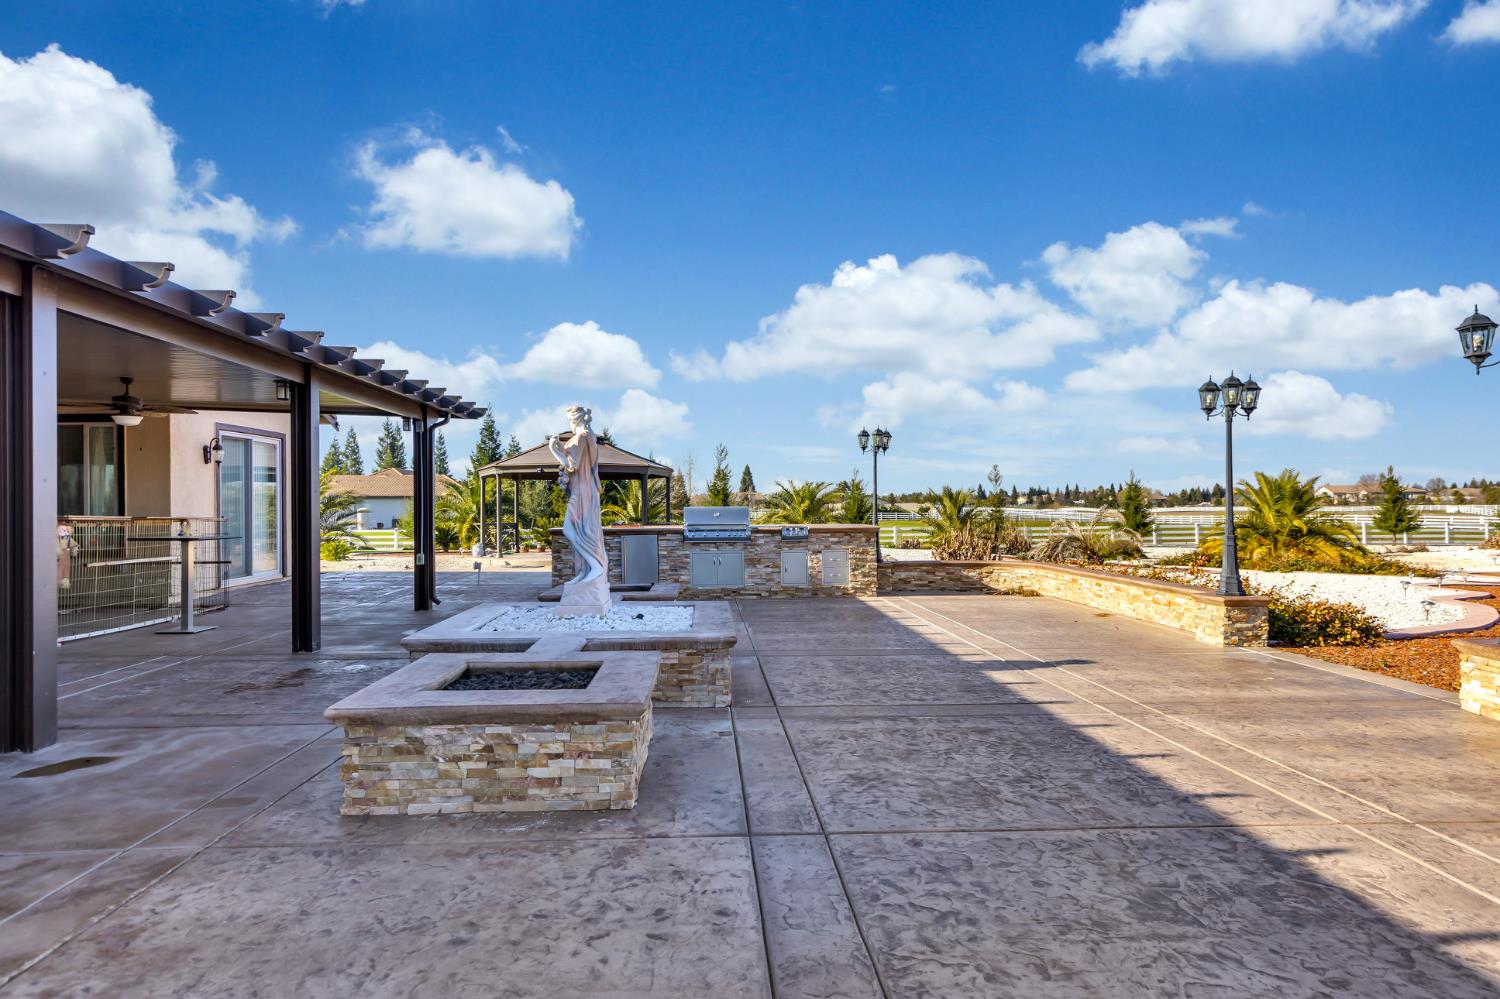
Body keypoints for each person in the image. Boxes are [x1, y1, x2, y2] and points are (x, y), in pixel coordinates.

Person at [547, 406, 611, 614]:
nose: (569, 424)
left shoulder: (580, 437)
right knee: (585, 530)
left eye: (569, 420)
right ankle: (585, 571)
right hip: (586, 489)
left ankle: (595, 566)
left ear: (575, 420)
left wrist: (553, 449)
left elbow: (570, 465)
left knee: (570, 529)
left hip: (581, 491)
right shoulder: (590, 436)